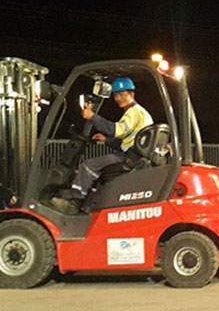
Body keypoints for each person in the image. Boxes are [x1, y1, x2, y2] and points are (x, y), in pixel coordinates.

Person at [50, 77, 154, 214]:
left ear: (132, 95)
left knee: (88, 165)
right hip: (134, 154)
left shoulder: (134, 112)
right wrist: (106, 140)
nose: (118, 98)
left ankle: (73, 203)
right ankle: (88, 207)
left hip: (129, 157)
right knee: (98, 173)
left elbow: (115, 130)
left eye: (122, 95)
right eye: (116, 95)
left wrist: (92, 117)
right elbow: (127, 140)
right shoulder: (141, 113)